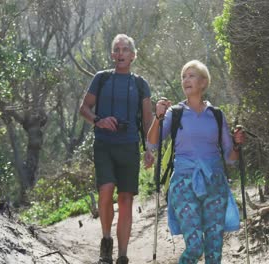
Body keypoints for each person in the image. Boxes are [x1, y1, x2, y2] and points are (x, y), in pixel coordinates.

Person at [147, 60, 245, 263]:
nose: (186, 80)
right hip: (183, 183)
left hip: (215, 182)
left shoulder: (217, 115)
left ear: (203, 82)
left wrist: (236, 145)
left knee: (214, 248)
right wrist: (157, 117)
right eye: (183, 76)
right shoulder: (174, 113)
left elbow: (230, 158)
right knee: (194, 246)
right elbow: (152, 143)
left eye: (191, 75)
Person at [79, 34, 154, 264]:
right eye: (117, 49)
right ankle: (106, 242)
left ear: (133, 55)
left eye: (125, 50)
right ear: (112, 54)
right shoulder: (101, 79)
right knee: (106, 189)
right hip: (104, 144)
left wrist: (149, 149)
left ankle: (122, 256)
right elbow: (84, 107)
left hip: (129, 146)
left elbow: (147, 121)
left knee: (125, 200)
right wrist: (98, 120)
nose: (120, 53)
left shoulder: (141, 84)